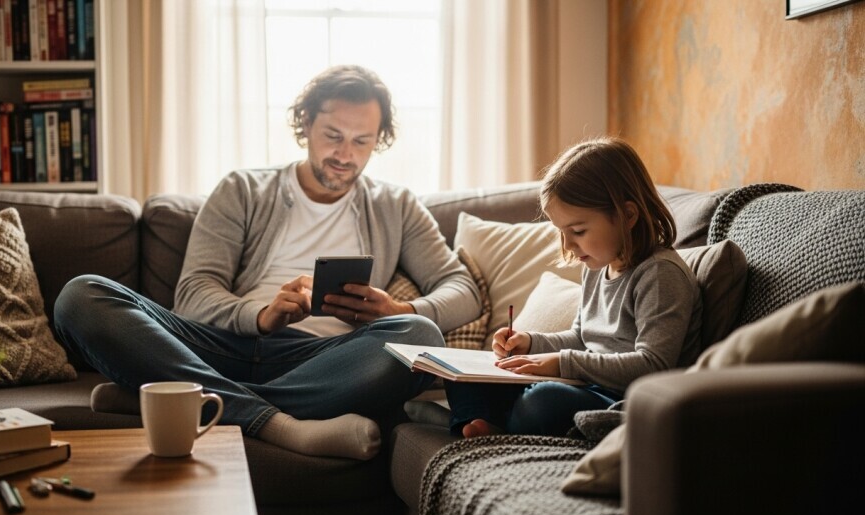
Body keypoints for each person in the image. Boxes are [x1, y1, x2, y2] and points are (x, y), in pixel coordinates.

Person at [53, 65, 482, 460]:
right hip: (220, 347)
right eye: (332, 134)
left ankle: (181, 398)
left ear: (378, 140)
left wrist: (399, 311)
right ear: (306, 123)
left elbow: (462, 289)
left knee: (419, 334)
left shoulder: (397, 206)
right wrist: (260, 316)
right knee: (80, 295)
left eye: (361, 141)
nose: (345, 153)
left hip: (323, 360)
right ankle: (278, 424)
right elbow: (193, 292)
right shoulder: (243, 189)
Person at [446, 136, 702, 438]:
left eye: (578, 231)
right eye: (561, 232)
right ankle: (487, 424)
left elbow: (653, 365)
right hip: (582, 384)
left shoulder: (659, 274)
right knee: (460, 374)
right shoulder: (597, 266)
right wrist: (529, 343)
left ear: (627, 215)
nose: (567, 244)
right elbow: (581, 337)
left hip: (620, 400)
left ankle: (495, 425)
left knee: (544, 400)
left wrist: (561, 363)